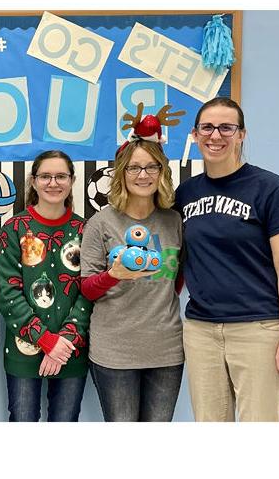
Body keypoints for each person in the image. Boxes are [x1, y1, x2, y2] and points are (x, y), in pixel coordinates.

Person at [175, 97, 279, 422]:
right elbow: (174, 260)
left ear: (242, 134)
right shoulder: (186, 193)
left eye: (226, 128)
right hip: (201, 331)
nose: (215, 135)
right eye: (207, 127)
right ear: (194, 134)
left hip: (257, 329)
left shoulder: (270, 188)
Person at [80, 104, 185, 422]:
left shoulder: (174, 221)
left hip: (166, 351)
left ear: (162, 172)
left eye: (152, 167)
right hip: (115, 352)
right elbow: (87, 288)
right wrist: (114, 275)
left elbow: (175, 280)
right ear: (122, 172)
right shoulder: (100, 223)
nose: (143, 175)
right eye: (134, 168)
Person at [0, 150, 92, 422]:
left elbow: (89, 292)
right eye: (45, 176)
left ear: (72, 180)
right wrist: (45, 339)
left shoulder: (85, 230)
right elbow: (8, 293)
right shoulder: (14, 229)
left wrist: (65, 341)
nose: (53, 183)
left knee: (66, 420)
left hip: (71, 351)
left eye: (61, 176)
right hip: (24, 351)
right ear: (34, 181)